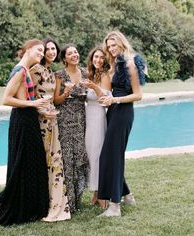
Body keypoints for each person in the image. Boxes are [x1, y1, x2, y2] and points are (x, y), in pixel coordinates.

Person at [0, 39, 50, 226]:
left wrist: (39, 107)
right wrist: (33, 104)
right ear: (28, 49)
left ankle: (30, 207)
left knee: (30, 162)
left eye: (43, 51)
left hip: (28, 118)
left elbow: (26, 97)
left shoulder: (26, 70)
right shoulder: (20, 71)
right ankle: (19, 206)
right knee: (24, 163)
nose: (41, 53)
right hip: (22, 121)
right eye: (39, 50)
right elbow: (6, 99)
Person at [97, 30, 146, 217]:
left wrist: (115, 101)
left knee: (111, 156)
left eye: (114, 45)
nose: (111, 49)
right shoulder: (116, 64)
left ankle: (115, 206)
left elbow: (138, 95)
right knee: (111, 155)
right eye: (108, 46)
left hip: (123, 112)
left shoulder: (131, 63)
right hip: (113, 111)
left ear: (121, 43)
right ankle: (127, 195)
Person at [30, 38, 71, 221]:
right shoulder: (35, 70)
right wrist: (41, 110)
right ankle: (42, 203)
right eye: (48, 49)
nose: (51, 52)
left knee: (54, 160)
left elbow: (54, 100)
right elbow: (27, 96)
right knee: (44, 160)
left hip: (53, 120)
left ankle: (55, 203)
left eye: (54, 48)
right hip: (41, 121)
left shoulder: (51, 72)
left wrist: (66, 93)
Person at [54, 44, 89, 213]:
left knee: (80, 159)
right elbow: (56, 101)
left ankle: (79, 198)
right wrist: (66, 92)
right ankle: (69, 203)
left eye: (75, 51)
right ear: (64, 58)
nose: (74, 54)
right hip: (65, 122)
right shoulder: (59, 75)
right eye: (70, 53)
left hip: (82, 121)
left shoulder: (86, 73)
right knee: (68, 161)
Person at [84, 45, 111, 209]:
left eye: (101, 57)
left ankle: (102, 194)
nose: (98, 60)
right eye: (96, 57)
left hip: (99, 116)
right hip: (88, 116)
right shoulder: (89, 74)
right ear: (91, 58)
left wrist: (94, 87)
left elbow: (105, 98)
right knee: (90, 154)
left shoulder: (105, 76)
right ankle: (95, 192)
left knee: (98, 154)